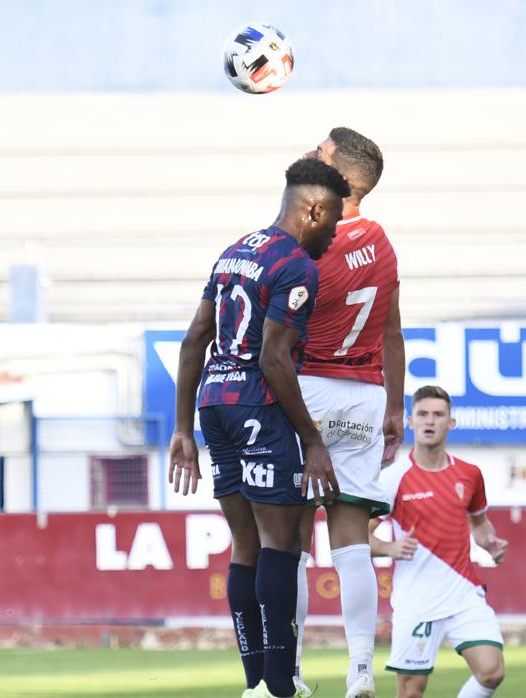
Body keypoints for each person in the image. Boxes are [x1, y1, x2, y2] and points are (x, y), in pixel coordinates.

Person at [168, 157, 349, 698]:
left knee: (244, 545)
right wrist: (313, 441)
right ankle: (278, 684)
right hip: (256, 404)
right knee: (284, 540)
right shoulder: (296, 266)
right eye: (333, 220)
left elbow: (195, 338)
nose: (334, 234)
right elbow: (274, 358)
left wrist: (183, 428)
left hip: (213, 406)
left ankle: (256, 683)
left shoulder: (235, 251)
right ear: (313, 209)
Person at [293, 126, 402, 698]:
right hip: (365, 394)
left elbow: (279, 336)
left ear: (339, 178)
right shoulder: (379, 240)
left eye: (321, 152)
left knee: (290, 540)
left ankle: (290, 672)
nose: (312, 152)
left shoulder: (311, 244)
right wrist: (396, 407)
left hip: (311, 387)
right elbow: (392, 330)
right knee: (351, 542)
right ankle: (360, 670)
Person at [371, 386, 508, 698]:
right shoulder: (394, 478)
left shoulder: (469, 474)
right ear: (410, 421)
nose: (429, 421)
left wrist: (489, 542)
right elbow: (358, 538)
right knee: (411, 691)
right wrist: (389, 548)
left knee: (492, 671)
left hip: (463, 592)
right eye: (422, 414)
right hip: (416, 600)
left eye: (438, 414)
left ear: (451, 422)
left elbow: (478, 522)